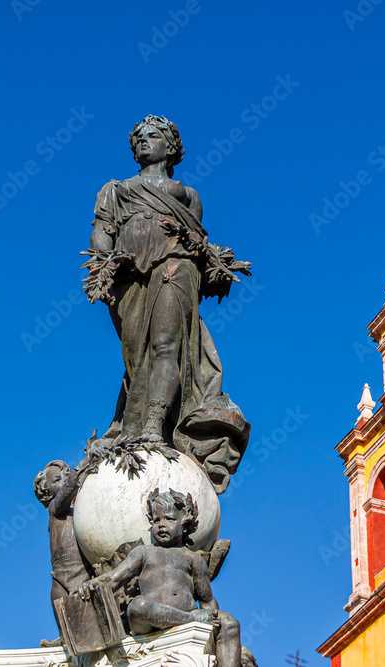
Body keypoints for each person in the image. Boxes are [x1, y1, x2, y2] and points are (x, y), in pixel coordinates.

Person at [83, 115, 250, 493]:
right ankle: (133, 422)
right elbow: (102, 230)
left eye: (154, 136)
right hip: (128, 276)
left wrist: (212, 262)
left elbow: (196, 239)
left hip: (176, 265)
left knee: (166, 348)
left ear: (171, 146)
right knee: (136, 358)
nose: (144, 141)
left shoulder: (188, 196)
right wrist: (105, 264)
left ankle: (154, 430)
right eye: (138, 137)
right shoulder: (116, 189)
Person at [76, 488, 241, 667]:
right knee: (138, 606)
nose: (161, 524)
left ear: (185, 522)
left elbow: (207, 599)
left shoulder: (194, 558)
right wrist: (92, 583)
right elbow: (114, 578)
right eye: (156, 520)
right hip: (149, 619)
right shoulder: (143, 552)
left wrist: (214, 619)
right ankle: (191, 620)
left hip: (188, 612)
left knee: (230, 623)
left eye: (169, 519)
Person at [33, 460, 94, 646]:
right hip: (60, 578)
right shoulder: (55, 509)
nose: (64, 482)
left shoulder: (80, 511)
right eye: (58, 479)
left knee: (87, 630)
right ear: (46, 491)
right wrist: (81, 470)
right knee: (67, 626)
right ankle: (64, 639)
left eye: (66, 478)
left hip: (83, 575)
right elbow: (67, 491)